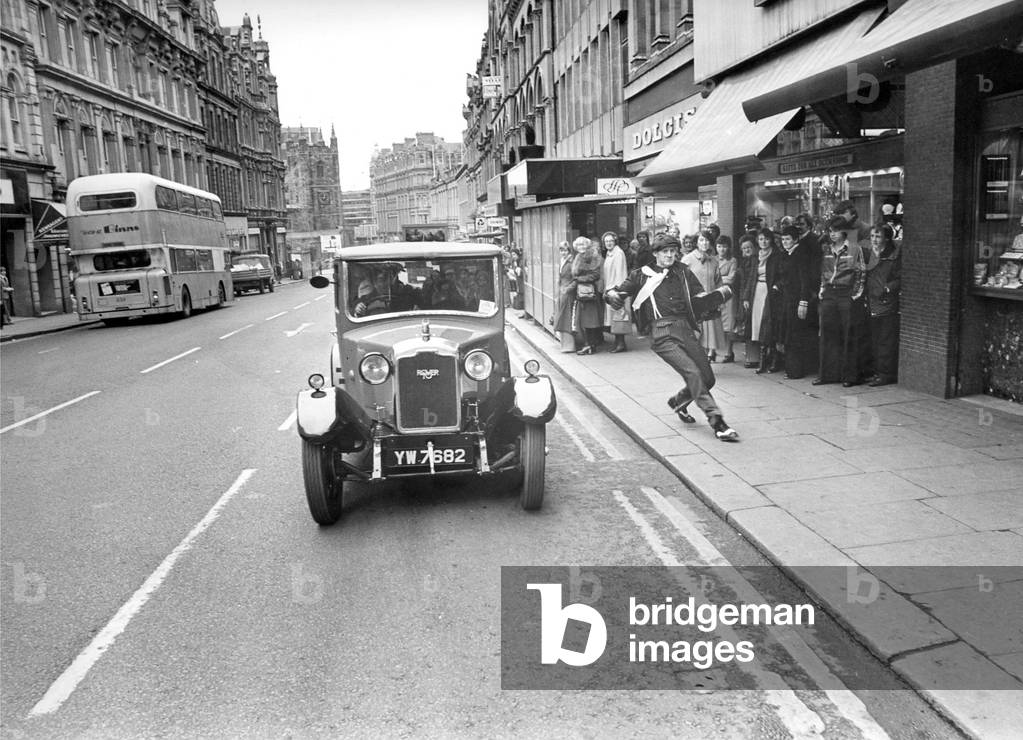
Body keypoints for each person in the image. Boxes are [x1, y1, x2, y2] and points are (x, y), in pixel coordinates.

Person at [604, 233, 739, 442]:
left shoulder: (683, 271)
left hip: (685, 329)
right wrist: (611, 296)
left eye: (673, 251)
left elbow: (699, 296)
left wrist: (715, 298)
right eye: (665, 251)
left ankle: (678, 401)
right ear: (656, 253)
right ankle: (717, 421)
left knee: (708, 378)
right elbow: (617, 292)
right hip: (661, 334)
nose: (670, 255)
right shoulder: (641, 275)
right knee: (693, 372)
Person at [815, 217, 868, 386]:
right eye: (830, 231)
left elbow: (861, 273)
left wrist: (855, 295)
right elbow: (823, 272)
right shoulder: (826, 250)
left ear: (843, 231)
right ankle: (827, 375)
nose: (832, 234)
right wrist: (822, 290)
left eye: (836, 231)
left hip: (846, 294)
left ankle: (849, 377)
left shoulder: (854, 248)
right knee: (828, 334)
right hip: (830, 294)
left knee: (848, 336)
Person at [778, 224, 821, 380]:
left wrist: (803, 301)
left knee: (796, 334)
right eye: (783, 239)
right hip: (788, 299)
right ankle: (791, 368)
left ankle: (796, 370)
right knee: (789, 333)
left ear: (795, 239)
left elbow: (805, 280)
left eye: (788, 239)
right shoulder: (787, 254)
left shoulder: (801, 255)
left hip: (797, 300)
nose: (785, 242)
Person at [742, 228, 784, 373]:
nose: (763, 242)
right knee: (757, 325)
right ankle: (762, 360)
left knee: (769, 324)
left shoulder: (777, 255)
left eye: (766, 239)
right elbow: (750, 278)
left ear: (771, 239)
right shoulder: (755, 256)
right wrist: (746, 297)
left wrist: (777, 286)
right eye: (760, 239)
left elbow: (782, 275)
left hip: (771, 292)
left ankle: (773, 359)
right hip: (757, 292)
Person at [865, 224, 902, 386]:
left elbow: (901, 277)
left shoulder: (893, 256)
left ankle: (886, 374)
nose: (874, 239)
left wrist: (887, 288)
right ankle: (877, 372)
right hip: (871, 301)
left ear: (886, 238)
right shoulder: (867, 254)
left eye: (878, 236)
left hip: (887, 302)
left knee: (886, 340)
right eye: (872, 236)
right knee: (875, 339)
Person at [682, 230, 727, 362]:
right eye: (701, 240)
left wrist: (720, 298)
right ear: (696, 242)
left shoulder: (713, 261)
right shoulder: (688, 259)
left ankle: (707, 356)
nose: (704, 243)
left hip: (710, 301)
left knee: (709, 332)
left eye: (707, 240)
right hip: (694, 301)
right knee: (695, 332)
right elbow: (680, 280)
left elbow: (718, 281)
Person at [570, 236, 604, 355]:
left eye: (583, 244)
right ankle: (589, 344)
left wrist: (579, 279)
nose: (581, 247)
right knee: (585, 321)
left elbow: (595, 275)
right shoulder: (579, 256)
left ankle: (590, 345)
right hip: (582, 292)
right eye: (579, 245)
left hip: (589, 292)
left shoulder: (591, 257)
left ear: (587, 245)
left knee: (590, 321)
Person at [601, 231, 631, 353]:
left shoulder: (618, 253)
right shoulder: (609, 254)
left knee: (619, 317)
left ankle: (621, 344)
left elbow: (620, 273)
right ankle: (618, 342)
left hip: (616, 290)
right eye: (606, 241)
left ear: (615, 242)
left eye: (611, 241)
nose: (608, 243)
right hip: (610, 289)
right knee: (615, 318)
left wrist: (618, 290)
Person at [715, 235, 738, 363]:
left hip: (728, 295)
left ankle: (729, 352)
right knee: (714, 322)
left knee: (729, 325)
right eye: (719, 246)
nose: (722, 249)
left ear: (728, 247)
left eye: (724, 246)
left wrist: (717, 280)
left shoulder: (732, 260)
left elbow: (732, 278)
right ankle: (711, 351)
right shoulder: (712, 260)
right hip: (715, 294)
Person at [553, 241, 578, 352]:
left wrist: (568, 289)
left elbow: (576, 279)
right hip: (562, 292)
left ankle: (569, 345)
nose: (563, 252)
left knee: (567, 317)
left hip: (568, 293)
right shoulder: (563, 261)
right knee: (562, 317)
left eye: (565, 250)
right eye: (561, 250)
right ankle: (565, 344)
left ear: (569, 251)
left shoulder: (571, 262)